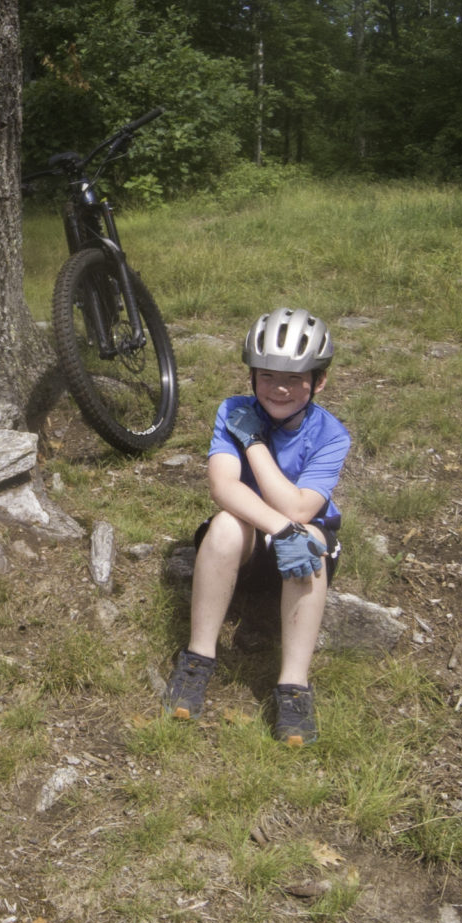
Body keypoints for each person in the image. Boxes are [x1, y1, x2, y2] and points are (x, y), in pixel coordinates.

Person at [160, 309, 351, 744]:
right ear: (251, 375)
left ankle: (293, 686)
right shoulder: (232, 410)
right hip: (246, 546)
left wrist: (255, 443)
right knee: (227, 524)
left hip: (300, 549)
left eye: (295, 378)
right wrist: (281, 529)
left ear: (319, 382)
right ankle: (198, 658)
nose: (279, 388)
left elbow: (301, 508)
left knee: (313, 539)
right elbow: (224, 487)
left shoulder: (331, 435)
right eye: (267, 376)